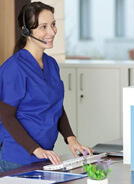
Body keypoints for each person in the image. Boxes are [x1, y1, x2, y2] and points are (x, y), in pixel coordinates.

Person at [0, 2, 92, 173]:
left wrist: (71, 139)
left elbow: (56, 106)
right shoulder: (14, 68)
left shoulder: (51, 64)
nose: (52, 32)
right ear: (26, 31)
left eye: (53, 24)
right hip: (18, 158)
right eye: (43, 27)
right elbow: (7, 117)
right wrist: (35, 149)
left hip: (45, 155)